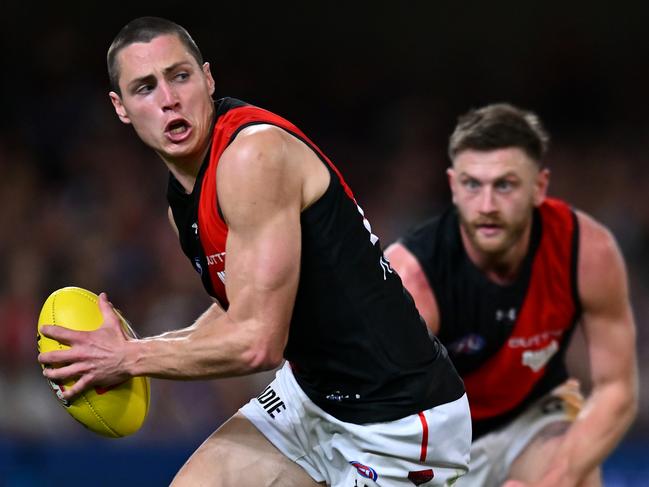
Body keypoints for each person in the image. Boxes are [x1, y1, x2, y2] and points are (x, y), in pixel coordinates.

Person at [37, 17, 471, 487]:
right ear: (121, 108)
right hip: (312, 397)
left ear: (207, 78)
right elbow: (236, 310)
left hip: (399, 420)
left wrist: (129, 357)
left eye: (179, 76)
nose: (169, 98)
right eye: (145, 87)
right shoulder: (181, 203)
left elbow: (258, 343)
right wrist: (127, 352)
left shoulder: (252, 155)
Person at [385, 103, 638, 487]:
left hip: (532, 419)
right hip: (441, 435)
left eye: (504, 185)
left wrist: (555, 479)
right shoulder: (413, 275)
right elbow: (384, 420)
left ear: (538, 187)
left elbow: (617, 388)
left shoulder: (587, 251)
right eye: (473, 184)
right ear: (453, 186)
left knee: (581, 471)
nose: (487, 206)